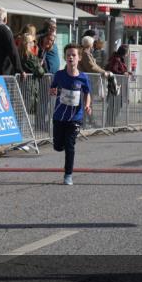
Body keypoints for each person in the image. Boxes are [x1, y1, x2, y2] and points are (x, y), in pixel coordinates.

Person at [50, 44, 91, 186]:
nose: (70, 57)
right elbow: (53, 87)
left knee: (70, 145)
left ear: (79, 58)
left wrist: (87, 105)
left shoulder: (83, 78)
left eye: (73, 55)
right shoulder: (59, 74)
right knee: (58, 146)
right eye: (68, 55)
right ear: (65, 57)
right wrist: (53, 91)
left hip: (75, 117)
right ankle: (60, 147)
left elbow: (87, 93)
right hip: (59, 116)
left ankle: (68, 174)